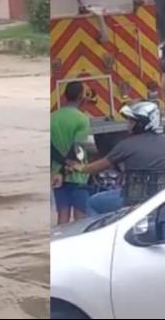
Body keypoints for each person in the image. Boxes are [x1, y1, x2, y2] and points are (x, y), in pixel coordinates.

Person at [69, 100, 165, 215]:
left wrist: (80, 167)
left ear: (141, 124)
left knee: (92, 203)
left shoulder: (127, 145)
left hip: (132, 198)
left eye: (131, 121)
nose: (128, 124)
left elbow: (98, 167)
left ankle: (99, 232)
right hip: (159, 195)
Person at [51, 80, 91, 225]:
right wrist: (66, 169)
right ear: (81, 96)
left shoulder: (52, 118)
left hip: (56, 175)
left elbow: (50, 148)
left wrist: (59, 171)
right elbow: (78, 149)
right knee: (80, 216)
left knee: (62, 214)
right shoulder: (82, 119)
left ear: (64, 96)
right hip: (77, 175)